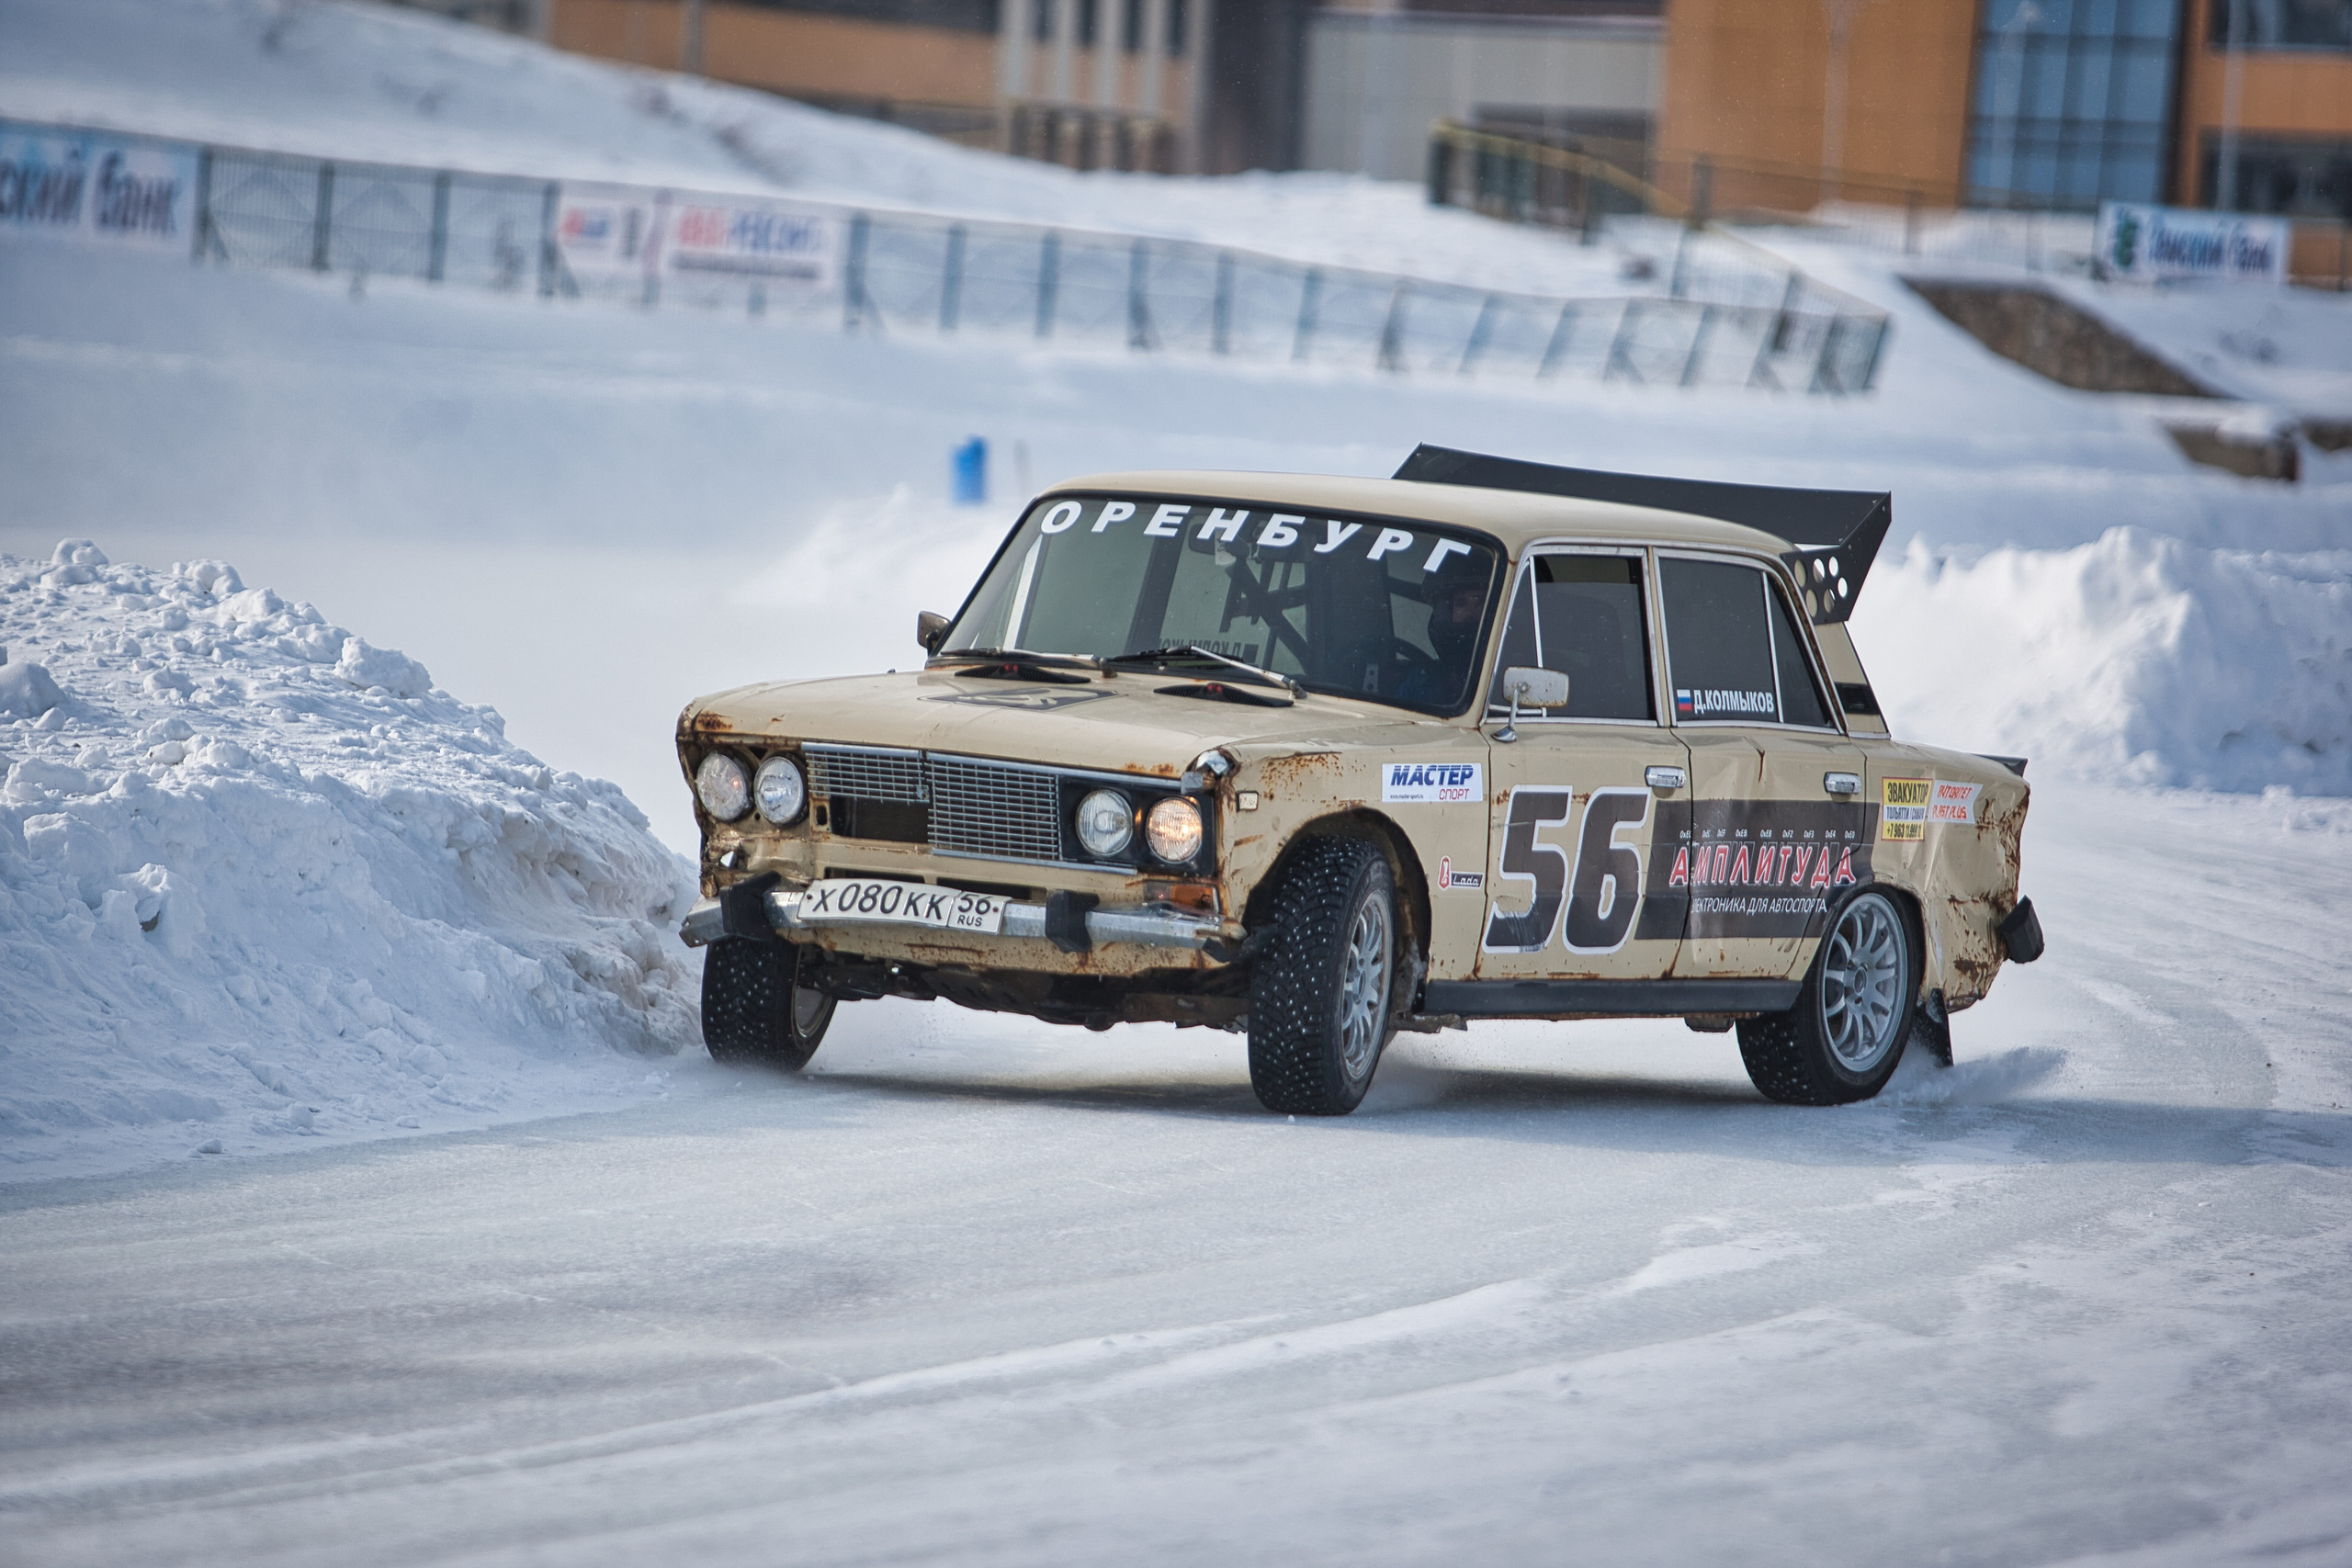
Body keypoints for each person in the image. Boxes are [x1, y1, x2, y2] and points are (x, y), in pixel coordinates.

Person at [1393, 553, 1491, 709]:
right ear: (1445, 611)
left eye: (1480, 603)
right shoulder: (1421, 679)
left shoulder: (1501, 679)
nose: (1470, 614)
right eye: (1460, 603)